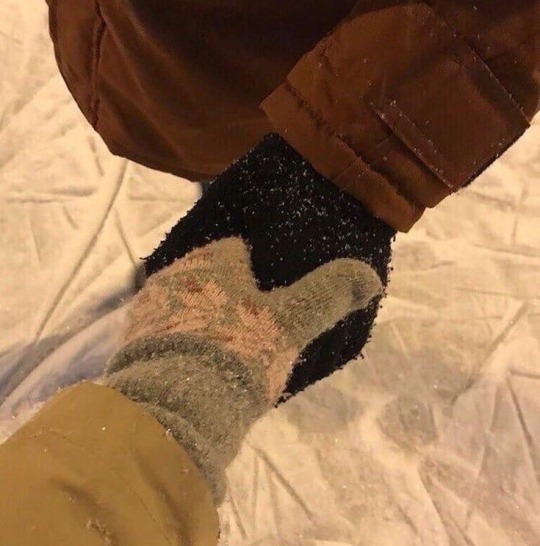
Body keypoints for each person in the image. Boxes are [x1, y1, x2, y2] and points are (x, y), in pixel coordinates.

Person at [1, 1, 539, 544]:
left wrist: (343, 158)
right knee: (227, 151)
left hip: (299, 66)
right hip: (160, 58)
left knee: (247, 156)